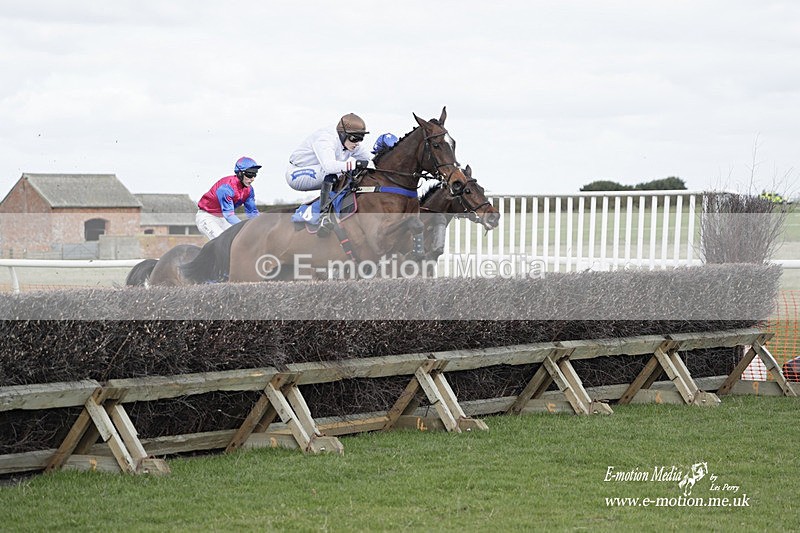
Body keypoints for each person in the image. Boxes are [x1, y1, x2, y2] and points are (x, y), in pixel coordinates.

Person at [285, 113, 376, 229]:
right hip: (296, 173)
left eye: (361, 138)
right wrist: (356, 164)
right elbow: (329, 166)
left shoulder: (351, 143)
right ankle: (324, 216)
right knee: (335, 172)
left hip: (318, 170)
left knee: (348, 173)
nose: (357, 143)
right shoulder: (325, 139)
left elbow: (371, 161)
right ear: (342, 134)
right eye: (354, 138)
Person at [196, 156, 261, 240]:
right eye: (249, 174)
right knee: (222, 242)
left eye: (254, 174)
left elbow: (252, 212)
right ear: (240, 173)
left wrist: (262, 225)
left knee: (240, 240)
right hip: (207, 217)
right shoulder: (226, 188)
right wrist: (245, 228)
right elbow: (229, 215)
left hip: (222, 218)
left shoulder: (249, 190)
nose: (252, 179)